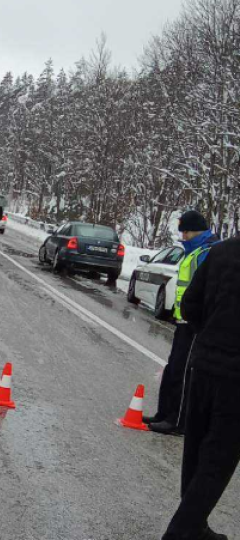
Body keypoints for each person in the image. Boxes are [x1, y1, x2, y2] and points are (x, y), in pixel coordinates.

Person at [161, 235, 239, 540]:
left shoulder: (220, 251)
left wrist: (209, 334)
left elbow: (190, 304)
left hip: (203, 364)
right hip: (235, 379)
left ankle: (196, 526)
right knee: (217, 461)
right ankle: (181, 532)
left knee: (195, 449)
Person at [146, 211, 219, 436]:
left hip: (195, 325)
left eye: (185, 232)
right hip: (183, 321)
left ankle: (178, 422)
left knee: (184, 372)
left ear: (195, 230)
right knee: (172, 369)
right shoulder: (194, 252)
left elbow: (209, 290)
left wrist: (200, 320)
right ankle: (164, 413)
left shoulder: (207, 253)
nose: (183, 237)